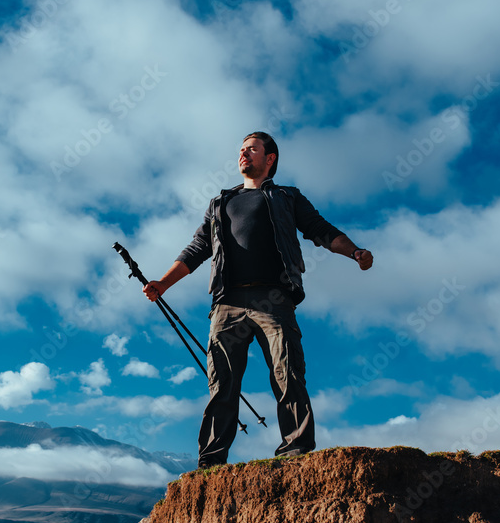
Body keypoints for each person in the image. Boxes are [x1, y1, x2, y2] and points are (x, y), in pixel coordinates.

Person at [143, 131, 373, 468]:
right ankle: (211, 461)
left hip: (274, 297)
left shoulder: (287, 197)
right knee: (222, 381)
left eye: (251, 149)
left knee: (288, 372)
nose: (243, 154)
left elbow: (322, 231)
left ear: (270, 158)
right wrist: (162, 283)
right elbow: (197, 249)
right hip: (228, 302)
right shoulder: (220, 203)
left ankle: (296, 451)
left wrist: (354, 251)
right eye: (240, 150)